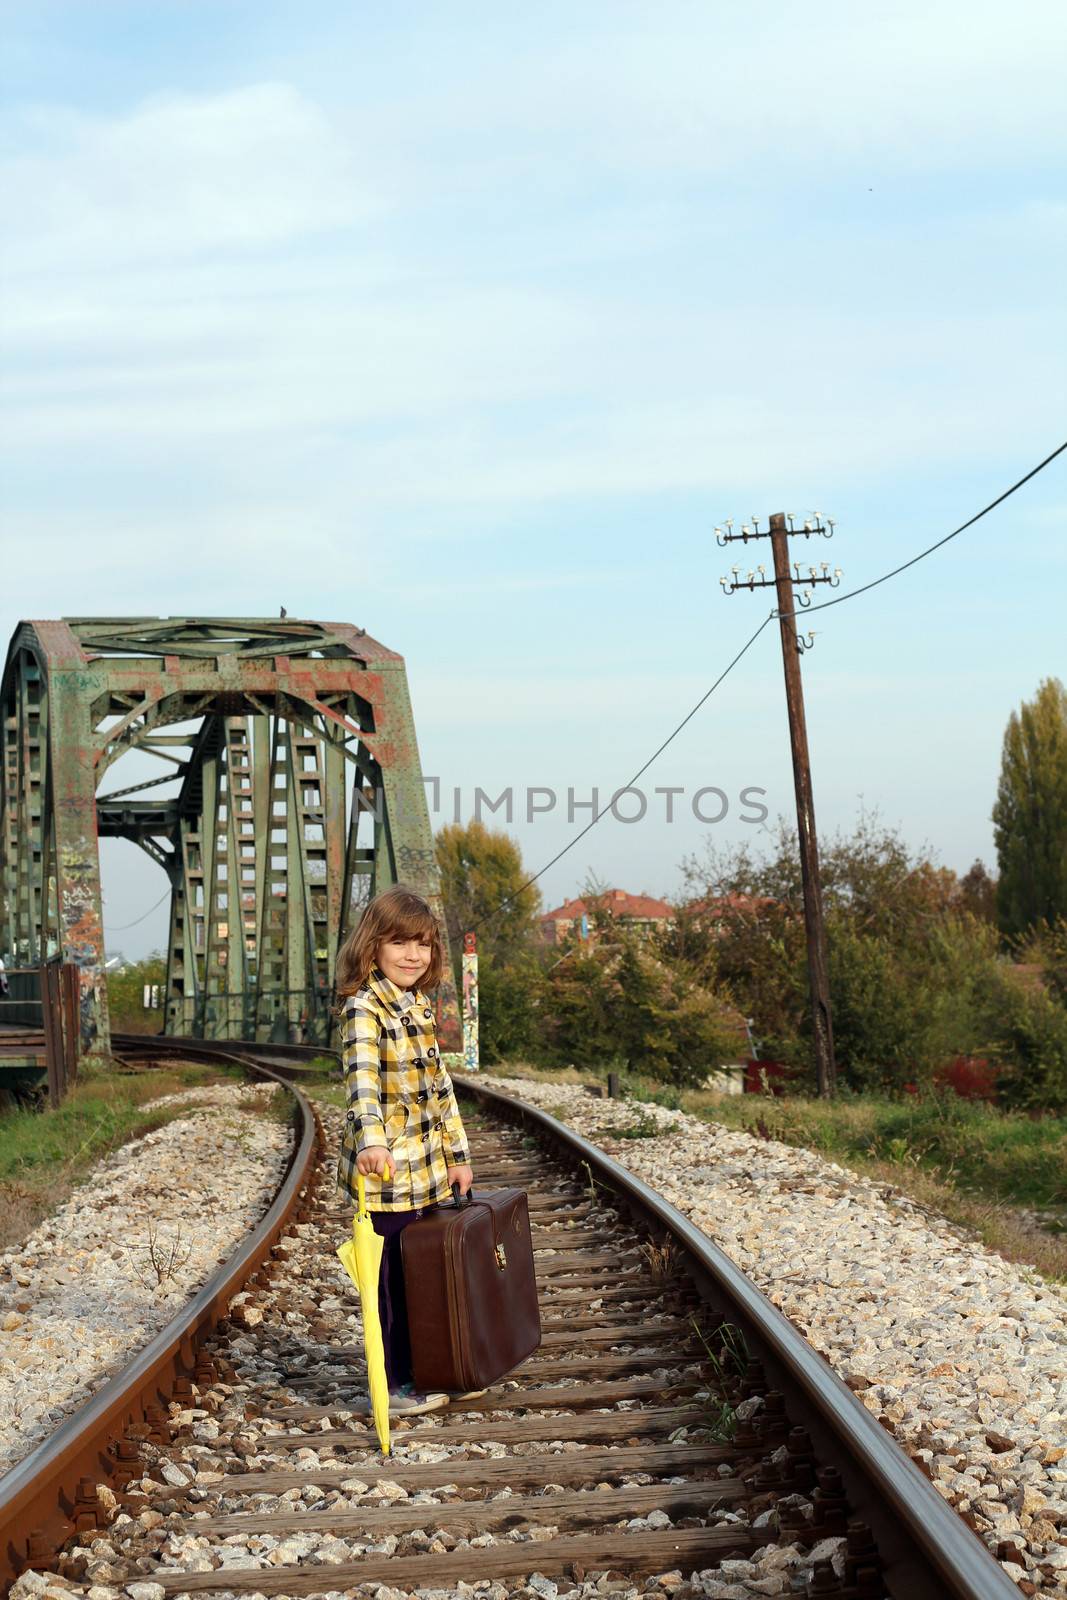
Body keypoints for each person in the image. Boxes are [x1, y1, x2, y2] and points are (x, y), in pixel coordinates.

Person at [335, 885, 474, 1416]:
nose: (414, 955)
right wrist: (371, 1142)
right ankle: (394, 1383)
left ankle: (435, 1366)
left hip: (429, 1170)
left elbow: (442, 1089)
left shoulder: (417, 1006)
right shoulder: (363, 1009)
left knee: (428, 1274)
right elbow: (361, 1083)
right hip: (388, 1175)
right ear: (373, 946)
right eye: (401, 943)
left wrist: (458, 1156)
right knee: (392, 1280)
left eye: (424, 944)